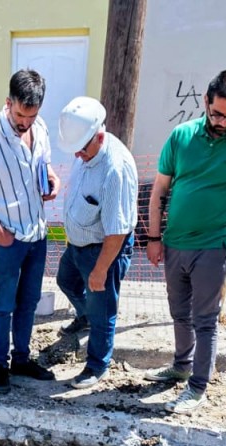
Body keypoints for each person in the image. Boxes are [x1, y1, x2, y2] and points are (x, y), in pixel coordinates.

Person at [144, 69, 226, 414]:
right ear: (206, 102)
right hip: (174, 242)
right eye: (217, 114)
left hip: (215, 246)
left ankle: (197, 387)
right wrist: (153, 237)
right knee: (178, 312)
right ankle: (181, 366)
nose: (224, 123)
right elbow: (159, 190)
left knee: (205, 319)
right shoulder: (181, 136)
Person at [0, 69, 61, 395]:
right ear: (8, 103)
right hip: (7, 238)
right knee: (3, 304)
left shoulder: (40, 127)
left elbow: (45, 165)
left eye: (31, 116)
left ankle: (21, 358)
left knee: (29, 301)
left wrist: (53, 179)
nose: (25, 122)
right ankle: (0, 366)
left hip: (37, 233)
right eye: (20, 115)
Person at [54, 96, 139, 389]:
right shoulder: (86, 151)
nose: (78, 155)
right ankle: (86, 315)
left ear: (99, 137)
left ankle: (96, 365)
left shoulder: (115, 169)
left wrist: (101, 270)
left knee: (103, 309)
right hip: (78, 244)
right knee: (66, 281)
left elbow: (117, 231)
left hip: (104, 250)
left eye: (82, 149)